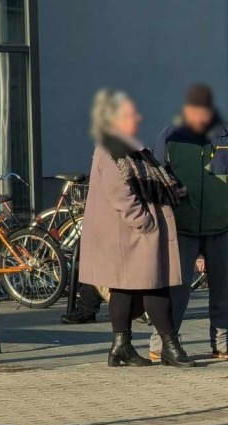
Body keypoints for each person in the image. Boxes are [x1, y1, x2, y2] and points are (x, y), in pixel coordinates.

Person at [79, 89, 195, 369]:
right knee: (155, 287)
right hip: (130, 234)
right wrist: (145, 222)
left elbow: (153, 178)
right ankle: (170, 346)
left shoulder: (128, 146)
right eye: (131, 115)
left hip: (131, 235)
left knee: (126, 290)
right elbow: (121, 194)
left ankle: (121, 347)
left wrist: (173, 190)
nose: (138, 118)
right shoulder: (110, 149)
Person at [149, 83, 228, 362]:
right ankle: (162, 343)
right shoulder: (170, 136)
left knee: (226, 288)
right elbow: (154, 179)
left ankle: (224, 342)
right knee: (175, 289)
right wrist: (169, 194)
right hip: (180, 228)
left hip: (225, 227)